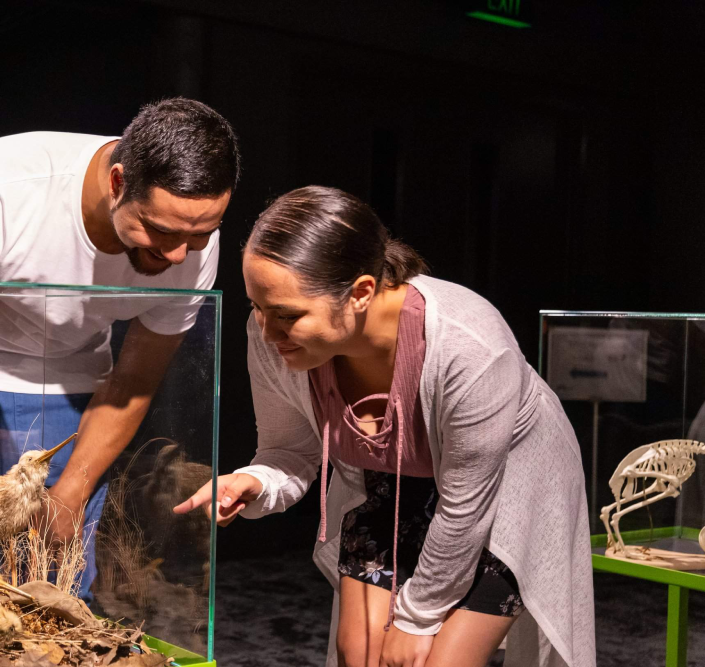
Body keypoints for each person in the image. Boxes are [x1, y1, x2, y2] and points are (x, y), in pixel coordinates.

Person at [176, 186, 594, 667]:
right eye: (257, 308)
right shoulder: (274, 335)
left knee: (436, 661)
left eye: (287, 316)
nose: (267, 333)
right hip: (393, 485)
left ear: (360, 293)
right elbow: (289, 453)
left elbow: (465, 506)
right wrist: (254, 481)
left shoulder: (470, 347)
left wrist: (418, 620)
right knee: (361, 654)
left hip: (501, 495)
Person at [0, 98, 240, 602]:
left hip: (74, 382)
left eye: (201, 234)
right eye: (160, 230)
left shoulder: (188, 234)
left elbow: (137, 379)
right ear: (119, 182)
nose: (179, 254)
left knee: (55, 586)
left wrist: (73, 489)